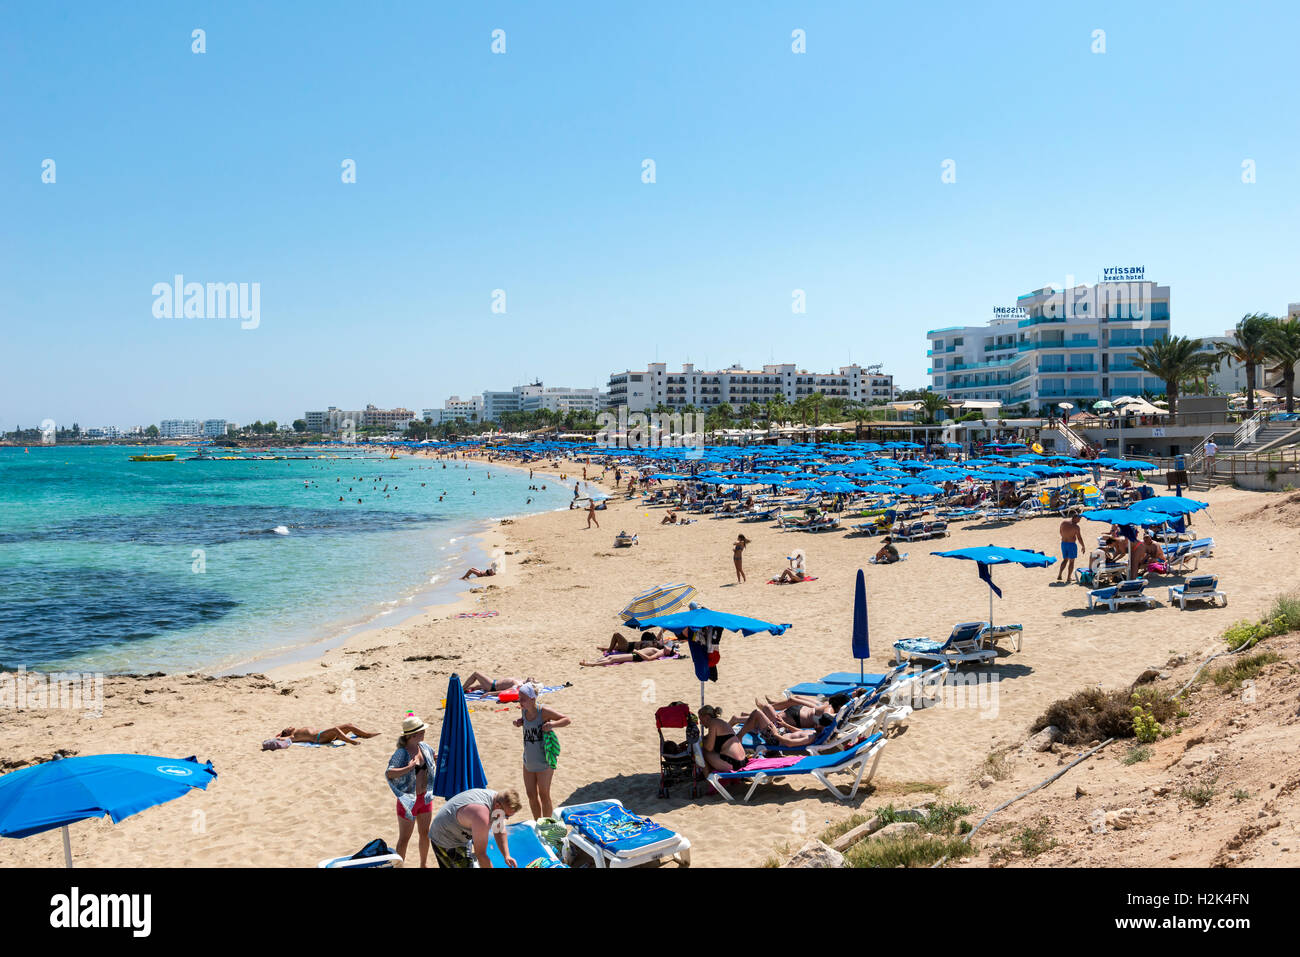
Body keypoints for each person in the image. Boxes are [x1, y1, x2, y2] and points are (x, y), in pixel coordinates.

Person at [386, 714, 437, 866]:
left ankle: (423, 864)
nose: (424, 732)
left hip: (425, 798)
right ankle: (399, 866)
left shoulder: (424, 747)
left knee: (425, 834)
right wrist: (408, 768)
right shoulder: (401, 753)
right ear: (414, 734)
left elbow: (433, 756)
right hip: (408, 801)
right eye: (422, 730)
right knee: (404, 839)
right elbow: (389, 773)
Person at [428, 787, 523, 869]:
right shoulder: (481, 815)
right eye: (506, 815)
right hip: (444, 837)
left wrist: (506, 855)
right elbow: (481, 854)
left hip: (459, 833)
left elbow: (499, 830)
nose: (506, 818)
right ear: (497, 805)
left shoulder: (498, 800)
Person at [513, 683, 570, 819]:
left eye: (523, 699)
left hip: (544, 761)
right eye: (519, 698)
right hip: (528, 760)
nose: (520, 701)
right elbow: (527, 722)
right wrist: (520, 721)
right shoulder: (524, 710)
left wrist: (552, 725)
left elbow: (567, 720)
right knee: (531, 796)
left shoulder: (543, 711)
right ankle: (538, 823)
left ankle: (547, 825)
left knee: (544, 795)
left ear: (533, 699)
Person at [274, 723, 378, 746]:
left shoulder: (297, 731)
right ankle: (350, 741)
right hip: (319, 738)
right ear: (286, 732)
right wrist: (280, 735)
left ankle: (366, 734)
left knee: (349, 725)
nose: (289, 726)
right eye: (287, 728)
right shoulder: (293, 736)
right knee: (335, 729)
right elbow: (280, 739)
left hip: (325, 735)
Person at [1057, 515, 1085, 582]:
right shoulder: (1076, 527)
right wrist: (1083, 546)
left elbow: (1060, 532)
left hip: (1063, 543)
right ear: (1074, 518)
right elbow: (1079, 538)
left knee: (1065, 560)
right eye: (1079, 519)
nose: (1079, 520)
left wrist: (1066, 536)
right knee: (1071, 562)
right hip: (1071, 545)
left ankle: (1059, 575)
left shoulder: (1064, 522)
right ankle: (1068, 578)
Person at [464, 672, 530, 695]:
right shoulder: (521, 680)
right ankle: (465, 689)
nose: (532, 678)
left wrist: (489, 693)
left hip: (492, 686)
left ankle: (461, 688)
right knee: (477, 686)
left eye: (532, 680)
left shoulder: (518, 685)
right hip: (493, 683)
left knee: (476, 674)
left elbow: (506, 691)